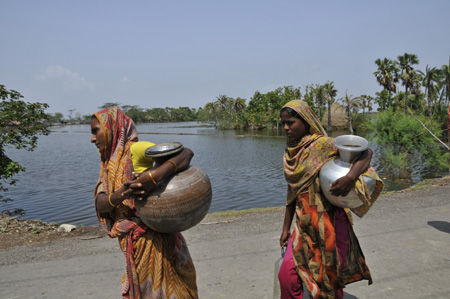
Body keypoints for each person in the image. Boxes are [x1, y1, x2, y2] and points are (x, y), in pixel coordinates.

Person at [277, 100, 384, 299]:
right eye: (283, 123)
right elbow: (292, 192)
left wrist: (351, 177)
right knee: (287, 276)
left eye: (290, 122)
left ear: (306, 121)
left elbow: (366, 151)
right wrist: (285, 229)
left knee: (329, 278)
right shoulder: (291, 151)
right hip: (304, 224)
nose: (285, 128)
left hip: (330, 222)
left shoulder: (322, 145)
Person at [90, 107, 198, 299]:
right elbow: (102, 204)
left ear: (113, 129)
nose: (92, 138)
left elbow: (185, 154)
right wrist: (124, 192)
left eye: (95, 131)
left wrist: (154, 177)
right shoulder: (109, 164)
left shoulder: (135, 150)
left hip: (155, 239)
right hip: (135, 243)